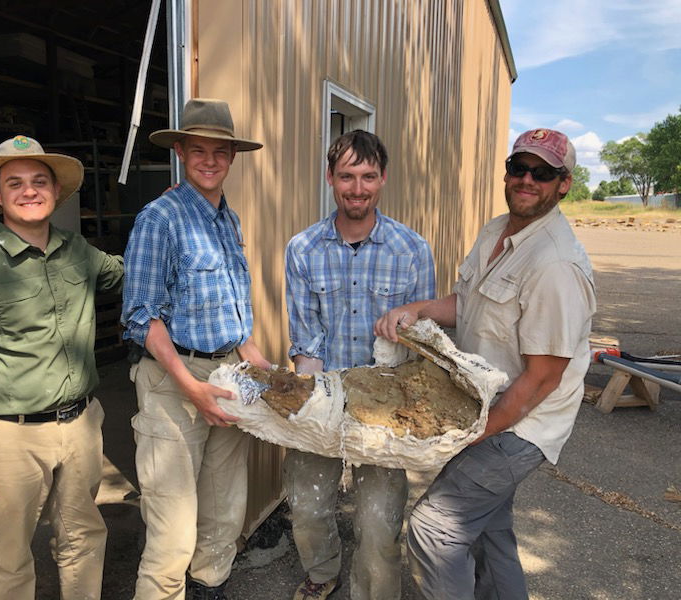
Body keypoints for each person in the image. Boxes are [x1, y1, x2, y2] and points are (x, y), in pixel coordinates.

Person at [375, 128, 596, 599]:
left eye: (543, 173)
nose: (527, 180)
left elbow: (542, 378)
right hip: (488, 407)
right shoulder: (498, 229)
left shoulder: (556, 265)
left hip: (519, 427)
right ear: (507, 172)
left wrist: (475, 431)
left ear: (564, 184)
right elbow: (469, 304)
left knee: (436, 530)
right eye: (519, 168)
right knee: (490, 529)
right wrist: (419, 309)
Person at [0, 135, 124, 599]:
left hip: (80, 424)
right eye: (14, 183)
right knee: (7, 559)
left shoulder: (77, 250)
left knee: (83, 538)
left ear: (56, 191)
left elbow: (124, 272)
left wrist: (163, 222)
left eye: (40, 181)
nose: (29, 190)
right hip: (9, 436)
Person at [121, 98, 271, 600]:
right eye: (199, 149)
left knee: (223, 510)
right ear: (182, 152)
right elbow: (143, 317)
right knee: (172, 527)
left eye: (220, 151)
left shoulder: (227, 221)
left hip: (227, 376)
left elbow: (226, 307)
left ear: (232, 157)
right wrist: (191, 387)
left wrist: (253, 355)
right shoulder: (160, 218)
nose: (210, 160)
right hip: (173, 379)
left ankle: (209, 587)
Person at [284, 129, 436, 600]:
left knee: (378, 521)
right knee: (307, 506)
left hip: (386, 408)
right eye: (347, 176)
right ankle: (322, 572)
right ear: (330, 178)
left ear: (383, 179)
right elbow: (305, 339)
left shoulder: (412, 251)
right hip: (324, 393)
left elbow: (422, 347)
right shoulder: (303, 249)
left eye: (368, 176)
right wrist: (312, 413)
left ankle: (374, 592)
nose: (357, 187)